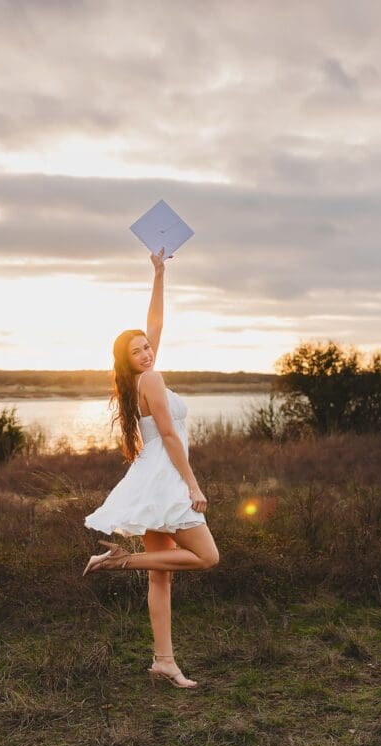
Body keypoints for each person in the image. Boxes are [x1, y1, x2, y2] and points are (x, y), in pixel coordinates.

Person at [82, 247, 220, 690]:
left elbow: (155, 324)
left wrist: (159, 274)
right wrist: (193, 486)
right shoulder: (152, 380)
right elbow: (171, 437)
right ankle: (121, 562)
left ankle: (164, 660)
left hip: (153, 477)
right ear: (128, 360)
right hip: (167, 478)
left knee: (162, 576)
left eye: (147, 347)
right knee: (207, 557)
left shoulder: (136, 380)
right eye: (138, 350)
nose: (146, 352)